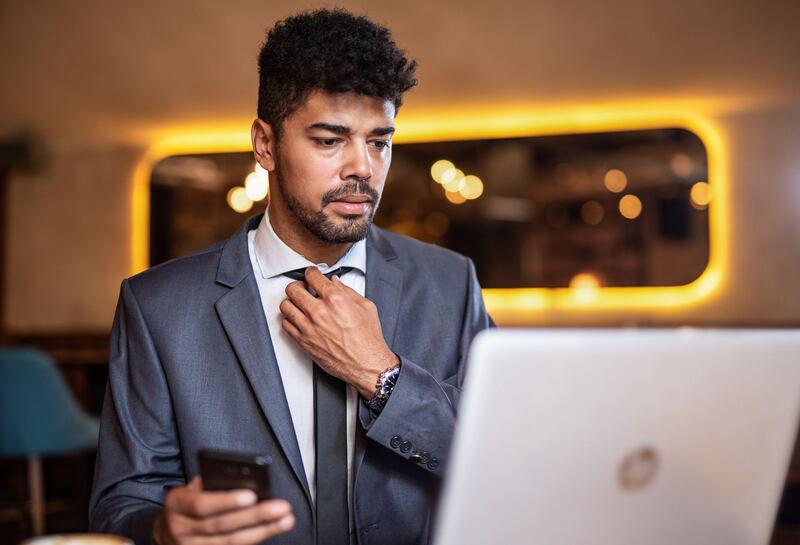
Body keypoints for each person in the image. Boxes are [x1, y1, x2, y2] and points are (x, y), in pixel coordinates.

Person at [89, 8, 493, 545]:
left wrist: (383, 376)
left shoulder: (451, 283)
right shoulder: (158, 306)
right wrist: (164, 529)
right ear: (265, 144)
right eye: (330, 140)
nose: (363, 168)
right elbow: (121, 504)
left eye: (378, 141)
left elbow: (505, 457)